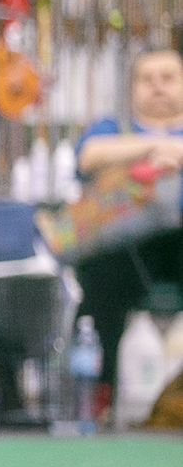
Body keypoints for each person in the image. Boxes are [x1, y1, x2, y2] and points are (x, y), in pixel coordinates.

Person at [72, 48, 183, 393]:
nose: (157, 87)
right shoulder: (110, 127)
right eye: (147, 79)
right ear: (132, 88)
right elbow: (90, 155)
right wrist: (157, 147)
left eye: (168, 78)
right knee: (99, 276)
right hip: (126, 248)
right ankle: (99, 394)